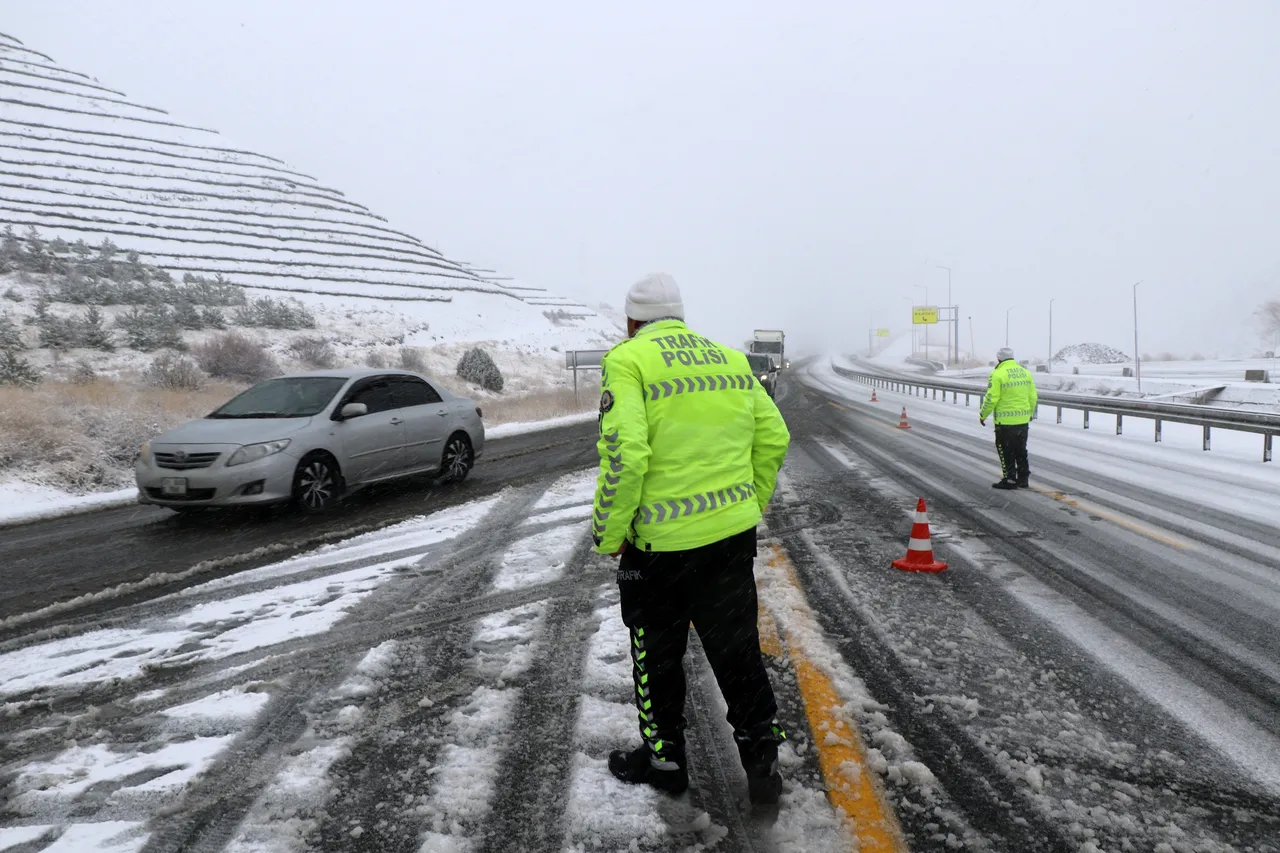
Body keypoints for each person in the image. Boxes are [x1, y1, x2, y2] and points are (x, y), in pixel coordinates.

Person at [591, 272, 791, 804]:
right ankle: (762, 759)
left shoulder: (628, 360)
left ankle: (666, 762)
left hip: (658, 551)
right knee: (738, 653)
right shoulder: (728, 359)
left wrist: (609, 533)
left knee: (655, 656)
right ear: (679, 315)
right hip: (729, 541)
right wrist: (749, 504)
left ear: (633, 320)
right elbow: (775, 436)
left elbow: (626, 455)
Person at [979, 347, 1038, 489]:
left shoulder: (997, 374)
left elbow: (991, 398)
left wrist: (983, 414)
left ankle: (1010, 479)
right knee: (1021, 450)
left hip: (1005, 422)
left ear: (999, 359)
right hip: (1022, 420)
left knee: (1005, 450)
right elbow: (1033, 396)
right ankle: (1023, 479)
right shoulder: (1025, 373)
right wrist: (1030, 413)